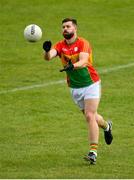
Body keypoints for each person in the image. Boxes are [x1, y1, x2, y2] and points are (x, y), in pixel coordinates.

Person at [43, 18, 113, 165]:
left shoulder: (83, 43)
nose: (65, 29)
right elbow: (49, 57)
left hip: (91, 83)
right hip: (75, 87)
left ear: (75, 29)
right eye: (63, 27)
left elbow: (84, 61)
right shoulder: (60, 45)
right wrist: (46, 51)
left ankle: (93, 152)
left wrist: (72, 66)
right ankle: (107, 126)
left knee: (89, 115)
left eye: (68, 26)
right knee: (93, 117)